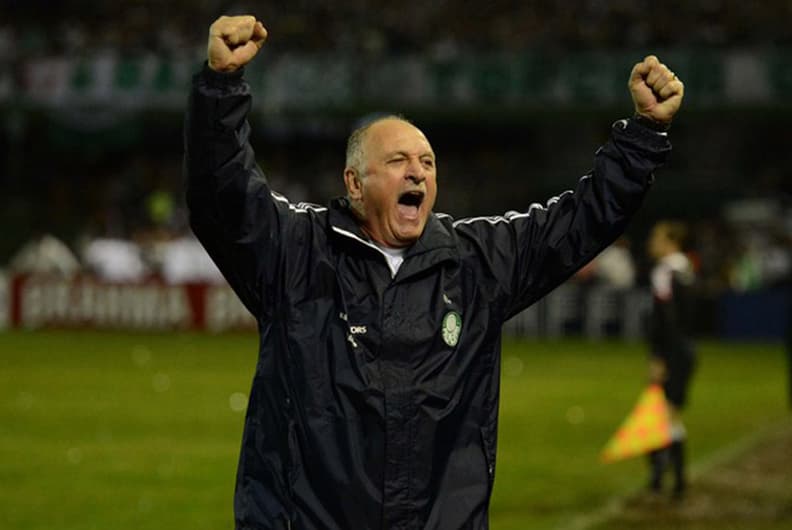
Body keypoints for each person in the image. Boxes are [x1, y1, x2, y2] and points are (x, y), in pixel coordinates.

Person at [184, 15, 684, 530]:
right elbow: (221, 197)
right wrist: (221, 88)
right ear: (355, 184)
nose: (418, 172)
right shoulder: (296, 253)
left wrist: (644, 136)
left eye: (427, 161)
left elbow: (579, 221)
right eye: (399, 160)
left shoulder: (476, 262)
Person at [645, 220, 697, 498]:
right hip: (686, 349)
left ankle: (671, 479)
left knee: (664, 414)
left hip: (673, 351)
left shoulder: (666, 271)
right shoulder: (686, 267)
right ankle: (666, 476)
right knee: (666, 413)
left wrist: (659, 356)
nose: (651, 242)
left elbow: (666, 319)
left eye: (656, 237)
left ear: (670, 241)